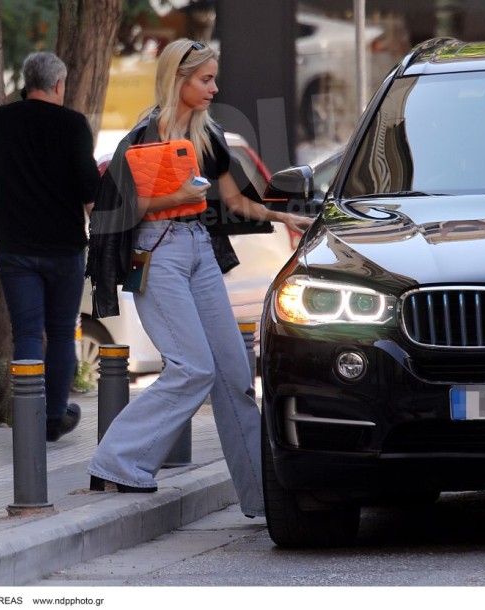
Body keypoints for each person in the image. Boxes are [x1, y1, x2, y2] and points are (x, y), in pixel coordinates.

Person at [85, 39, 313, 517]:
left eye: (214, 78)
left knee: (235, 375)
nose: (214, 88)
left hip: (199, 252)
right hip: (158, 251)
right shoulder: (144, 136)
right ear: (179, 80)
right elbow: (121, 208)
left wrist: (284, 217)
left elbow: (236, 202)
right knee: (193, 368)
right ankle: (117, 462)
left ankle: (263, 498)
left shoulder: (210, 136)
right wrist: (178, 198)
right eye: (205, 79)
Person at [0, 51, 100, 442]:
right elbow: (89, 188)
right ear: (59, 84)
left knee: (28, 333)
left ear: (27, 83)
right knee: (61, 333)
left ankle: (29, 415)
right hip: (64, 246)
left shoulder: (0, 120)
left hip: (15, 247)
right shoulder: (73, 125)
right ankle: (54, 417)